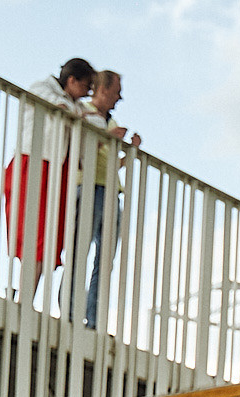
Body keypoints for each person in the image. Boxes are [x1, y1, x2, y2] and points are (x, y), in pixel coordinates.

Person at [6, 59, 95, 270]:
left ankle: (25, 294)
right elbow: (59, 106)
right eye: (86, 86)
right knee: (31, 230)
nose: (87, 93)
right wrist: (79, 114)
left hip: (57, 168)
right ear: (72, 80)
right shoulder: (42, 88)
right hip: (35, 161)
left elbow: (91, 121)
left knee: (47, 235)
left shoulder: (78, 105)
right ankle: (23, 292)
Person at [78, 70, 141, 328]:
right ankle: (72, 310)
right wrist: (109, 140)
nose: (119, 98)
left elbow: (113, 164)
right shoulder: (83, 111)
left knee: (105, 261)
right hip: (89, 187)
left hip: (111, 191)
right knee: (80, 253)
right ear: (103, 89)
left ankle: (93, 319)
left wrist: (131, 152)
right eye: (117, 91)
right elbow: (83, 150)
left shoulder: (111, 122)